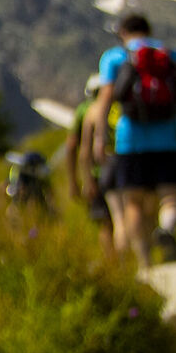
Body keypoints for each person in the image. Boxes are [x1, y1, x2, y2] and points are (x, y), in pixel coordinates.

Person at [86, 13, 176, 270]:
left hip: (130, 141)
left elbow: (105, 100)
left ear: (123, 32)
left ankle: (145, 264)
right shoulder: (172, 56)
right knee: (170, 197)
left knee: (133, 203)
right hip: (169, 139)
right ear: (149, 30)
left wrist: (100, 139)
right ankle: (167, 227)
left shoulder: (115, 57)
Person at [58, 71, 117, 255]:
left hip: (98, 173)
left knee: (105, 224)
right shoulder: (119, 106)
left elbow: (74, 148)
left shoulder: (85, 110)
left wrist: (79, 181)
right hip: (124, 167)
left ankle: (114, 265)